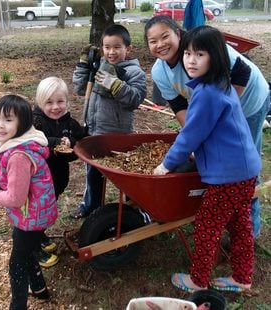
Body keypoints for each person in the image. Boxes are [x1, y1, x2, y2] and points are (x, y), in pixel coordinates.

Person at [154, 25, 261, 293]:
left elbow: (190, 135)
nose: (191, 60)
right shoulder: (219, 83)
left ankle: (198, 280)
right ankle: (242, 277)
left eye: (200, 54)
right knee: (239, 223)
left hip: (228, 174)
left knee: (207, 225)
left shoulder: (206, 94)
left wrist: (166, 165)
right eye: (188, 54)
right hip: (244, 168)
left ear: (215, 56)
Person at [145, 15, 270, 239]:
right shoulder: (159, 71)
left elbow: (242, 71)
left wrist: (225, 114)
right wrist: (197, 135)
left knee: (242, 166)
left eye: (165, 36)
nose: (160, 44)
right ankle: (224, 213)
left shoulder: (203, 47)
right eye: (153, 41)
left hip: (249, 103)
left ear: (178, 33)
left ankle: (250, 228)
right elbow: (179, 105)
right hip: (213, 110)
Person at [0, 95, 58, 309]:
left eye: (8, 120)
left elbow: (16, 198)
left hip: (31, 216)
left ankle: (18, 305)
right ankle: (39, 290)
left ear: (23, 123)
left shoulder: (19, 155)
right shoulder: (18, 142)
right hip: (35, 212)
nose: (0, 125)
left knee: (17, 262)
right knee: (25, 250)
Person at [71, 24, 147, 219]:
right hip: (94, 130)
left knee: (124, 177)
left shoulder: (133, 72)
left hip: (116, 136)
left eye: (117, 47)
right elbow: (80, 89)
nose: (111, 52)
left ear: (128, 49)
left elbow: (135, 99)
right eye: (107, 47)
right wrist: (83, 66)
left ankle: (137, 208)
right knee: (92, 174)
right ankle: (91, 206)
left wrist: (115, 85)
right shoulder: (99, 66)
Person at [33, 76, 85, 264]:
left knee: (47, 208)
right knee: (37, 211)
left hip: (58, 178)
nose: (56, 107)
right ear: (40, 102)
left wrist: (72, 142)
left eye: (60, 101)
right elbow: (36, 141)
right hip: (39, 180)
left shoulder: (68, 123)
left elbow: (81, 137)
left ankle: (39, 236)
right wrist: (57, 143)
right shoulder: (36, 123)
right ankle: (33, 249)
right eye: (49, 102)